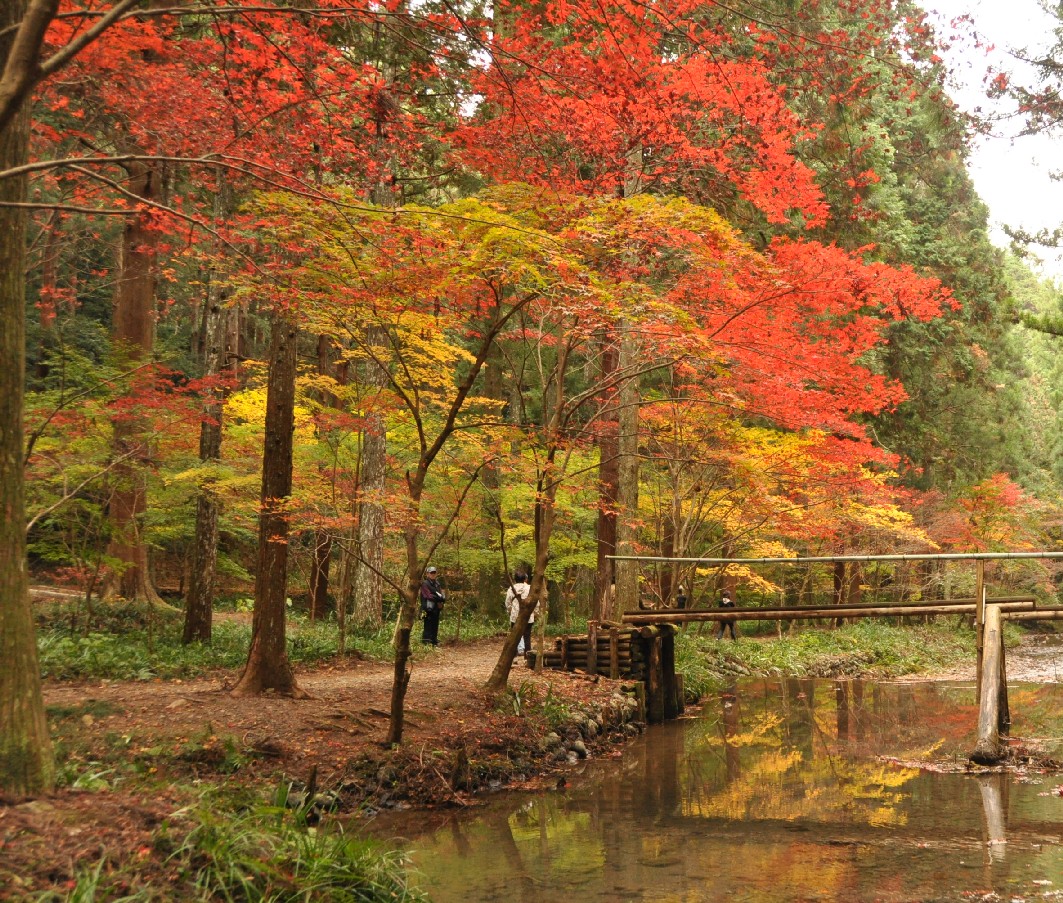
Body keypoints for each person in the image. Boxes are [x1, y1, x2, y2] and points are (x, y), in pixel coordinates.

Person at [504, 572, 535, 661]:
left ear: (515, 579)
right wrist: (535, 612)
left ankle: (514, 657)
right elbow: (535, 602)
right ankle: (528, 658)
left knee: (514, 637)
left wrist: (511, 611)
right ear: (525, 579)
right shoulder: (529, 588)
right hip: (528, 616)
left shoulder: (511, 588)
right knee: (527, 636)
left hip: (515, 616)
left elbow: (507, 603)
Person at [420, 565, 445, 646]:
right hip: (427, 608)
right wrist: (438, 598)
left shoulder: (437, 583)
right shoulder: (425, 584)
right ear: (427, 574)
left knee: (435, 624)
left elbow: (441, 593)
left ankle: (434, 640)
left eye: (434, 573)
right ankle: (426, 641)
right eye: (431, 573)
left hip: (436, 608)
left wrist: (442, 598)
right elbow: (428, 595)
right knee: (428, 625)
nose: (433, 574)